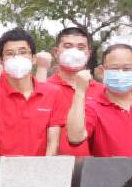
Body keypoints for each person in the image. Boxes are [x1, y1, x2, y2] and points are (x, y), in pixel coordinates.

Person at [0, 28, 61, 187]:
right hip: (1, 180)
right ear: (2, 61)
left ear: (33, 58)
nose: (17, 58)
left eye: (23, 52)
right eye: (10, 54)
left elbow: (53, 142)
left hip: (40, 180)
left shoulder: (52, 93)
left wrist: (44, 174)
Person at [66, 43, 132, 157]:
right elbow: (75, 138)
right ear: (102, 71)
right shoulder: (92, 107)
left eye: (127, 69)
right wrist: (80, 91)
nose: (121, 73)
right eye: (114, 68)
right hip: (107, 169)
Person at [43, 26, 103, 157]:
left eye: (81, 47)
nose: (74, 52)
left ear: (88, 54)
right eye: (68, 46)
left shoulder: (103, 91)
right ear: (56, 52)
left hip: (92, 166)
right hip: (52, 165)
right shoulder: (44, 88)